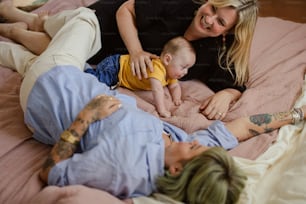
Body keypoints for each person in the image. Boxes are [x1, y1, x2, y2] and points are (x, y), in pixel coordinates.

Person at [0, 7, 305, 204]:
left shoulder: (125, 168)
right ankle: (23, 33)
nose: (200, 143)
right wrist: (295, 114)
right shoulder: (185, 147)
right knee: (33, 57)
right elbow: (242, 127)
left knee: (82, 18)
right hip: (80, 78)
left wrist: (86, 118)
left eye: (196, 150)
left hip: (52, 87)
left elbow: (50, 173)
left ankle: (21, 21)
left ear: (174, 171)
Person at [0, 0, 259, 120]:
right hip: (102, 23)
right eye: (212, 8)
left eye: (220, 22)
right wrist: (135, 51)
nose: (209, 18)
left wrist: (226, 95)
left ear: (228, 32)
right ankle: (17, 25)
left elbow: (235, 83)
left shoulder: (212, 52)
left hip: (104, 56)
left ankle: (25, 24)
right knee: (56, 39)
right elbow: (126, 8)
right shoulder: (180, 5)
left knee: (54, 42)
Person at [85, 36, 196, 118]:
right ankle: (86, 69)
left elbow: (175, 87)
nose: (185, 72)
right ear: (167, 59)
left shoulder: (171, 74)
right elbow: (157, 90)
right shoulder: (157, 68)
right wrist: (161, 110)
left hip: (117, 70)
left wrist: (176, 98)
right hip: (116, 67)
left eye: (188, 69)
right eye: (183, 67)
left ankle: (92, 70)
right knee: (97, 83)